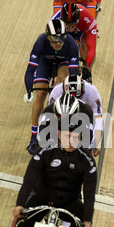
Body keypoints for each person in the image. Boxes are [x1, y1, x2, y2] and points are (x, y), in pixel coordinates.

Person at [0, 115, 97, 227]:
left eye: (75, 137)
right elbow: (29, 180)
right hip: (42, 198)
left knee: (81, 225)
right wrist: (20, 205)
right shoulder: (45, 151)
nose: (70, 141)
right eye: (67, 136)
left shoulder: (87, 160)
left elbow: (89, 193)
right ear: (58, 134)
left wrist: (88, 220)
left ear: (80, 137)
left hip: (69, 201)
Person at [24, 19, 80, 154]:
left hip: (63, 61)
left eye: (62, 39)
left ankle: (57, 130)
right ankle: (33, 136)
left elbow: (72, 74)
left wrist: (68, 91)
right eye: (54, 39)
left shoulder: (72, 44)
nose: (58, 43)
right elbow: (31, 69)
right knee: (40, 95)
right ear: (48, 37)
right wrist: (29, 90)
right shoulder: (40, 42)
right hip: (45, 60)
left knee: (62, 83)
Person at [48, 75, 103, 157]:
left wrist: (94, 146)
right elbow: (50, 119)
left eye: (78, 96)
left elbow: (98, 121)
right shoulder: (56, 93)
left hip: (83, 112)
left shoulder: (92, 93)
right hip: (64, 111)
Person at [52, 3, 97, 80]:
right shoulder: (55, 21)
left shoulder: (88, 18)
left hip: (82, 30)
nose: (70, 26)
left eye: (73, 23)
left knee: (86, 45)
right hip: (63, 32)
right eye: (67, 23)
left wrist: (86, 67)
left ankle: (87, 73)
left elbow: (91, 48)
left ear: (79, 18)